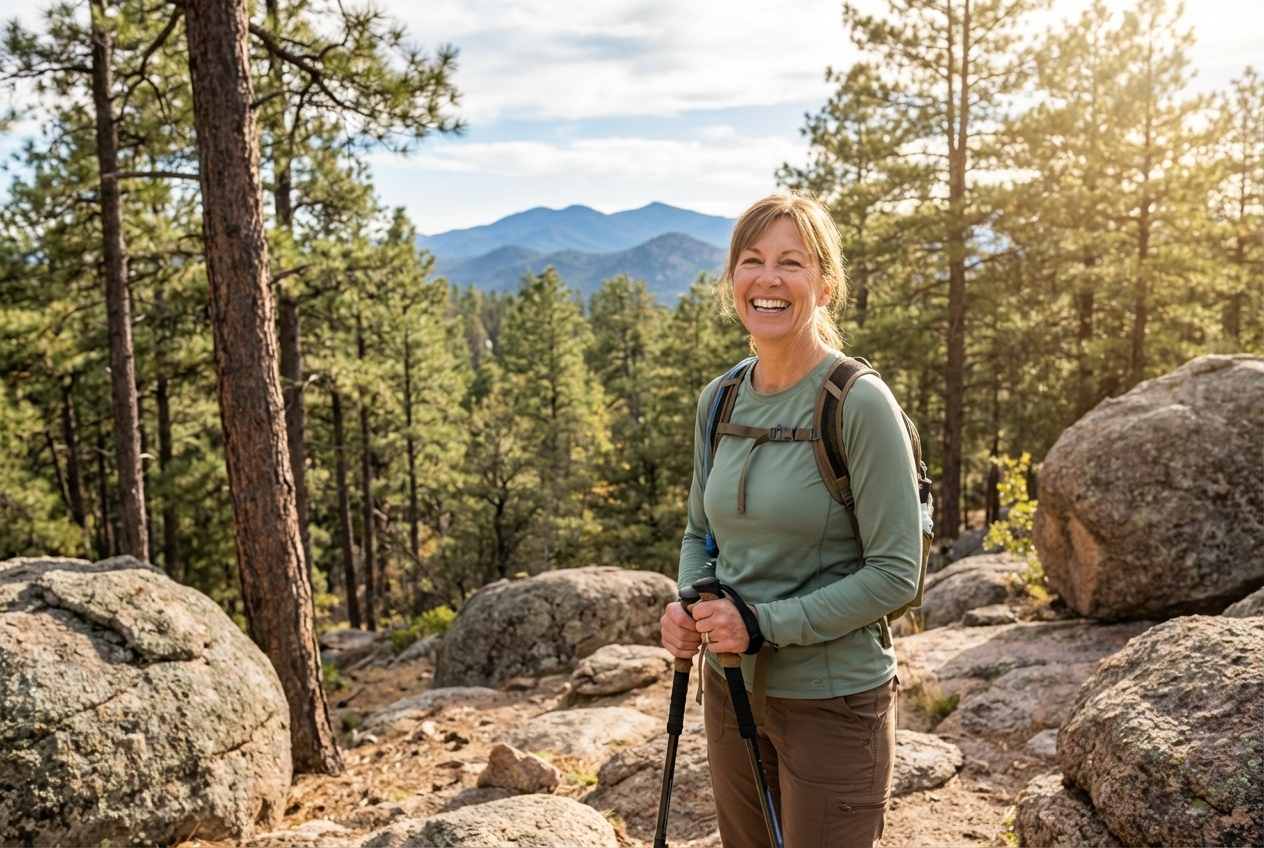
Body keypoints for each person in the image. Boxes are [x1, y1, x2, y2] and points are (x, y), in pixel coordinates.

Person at [660, 192, 922, 848]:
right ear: (733, 281)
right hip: (730, 691)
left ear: (825, 285)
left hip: (833, 703)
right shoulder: (720, 401)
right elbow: (698, 534)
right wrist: (692, 604)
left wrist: (760, 624)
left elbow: (896, 575)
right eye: (751, 261)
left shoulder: (858, 404)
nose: (767, 279)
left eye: (791, 263)